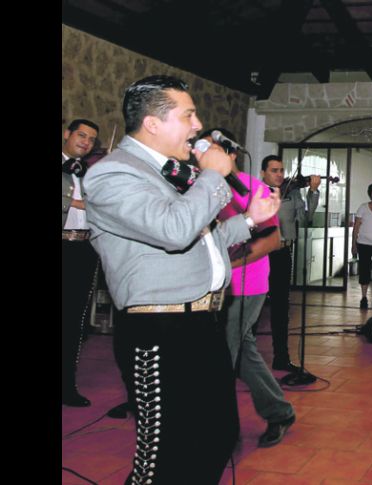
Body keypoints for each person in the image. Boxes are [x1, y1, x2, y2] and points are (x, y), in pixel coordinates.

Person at [82, 75, 281, 484]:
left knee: (216, 436)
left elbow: (199, 242)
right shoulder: (113, 174)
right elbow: (173, 231)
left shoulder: (171, 172)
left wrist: (249, 220)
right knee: (165, 455)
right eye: (188, 115)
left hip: (201, 323)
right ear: (153, 123)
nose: (197, 125)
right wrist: (211, 175)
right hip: (158, 329)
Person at [202, 128, 297, 448]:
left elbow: (272, 239)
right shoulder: (203, 187)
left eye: (212, 149)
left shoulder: (253, 188)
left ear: (230, 153)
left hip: (247, 285)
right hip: (213, 284)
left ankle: (217, 429)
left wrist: (227, 265)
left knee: (226, 353)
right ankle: (278, 411)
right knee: (241, 349)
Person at [261, 155, 320, 372]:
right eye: (274, 170)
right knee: (253, 307)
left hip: (283, 252)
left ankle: (281, 357)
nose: (279, 175)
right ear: (263, 173)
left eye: (282, 171)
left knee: (281, 307)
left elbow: (305, 219)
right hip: (259, 255)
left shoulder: (293, 193)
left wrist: (312, 192)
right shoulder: (256, 192)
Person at [62, 118, 100, 407]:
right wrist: (77, 202)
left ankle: (66, 384)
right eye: (81, 135)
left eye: (91, 139)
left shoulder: (89, 173)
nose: (85, 142)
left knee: (75, 321)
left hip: (83, 249)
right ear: (67, 134)